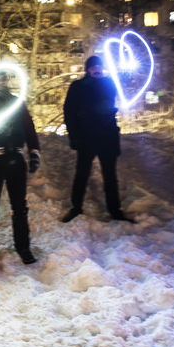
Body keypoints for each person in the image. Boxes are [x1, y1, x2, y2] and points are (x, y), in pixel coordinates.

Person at [0, 71, 41, 264]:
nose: (1, 84)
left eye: (3, 81)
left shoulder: (16, 102)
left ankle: (23, 247)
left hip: (15, 159)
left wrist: (34, 151)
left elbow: (29, 128)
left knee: (19, 207)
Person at [61, 55, 133, 223]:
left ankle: (115, 210)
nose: (96, 69)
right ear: (88, 69)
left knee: (110, 175)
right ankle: (76, 207)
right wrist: (74, 136)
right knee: (82, 174)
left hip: (107, 137)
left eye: (99, 66)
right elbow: (69, 113)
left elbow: (123, 85)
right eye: (93, 67)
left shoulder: (109, 83)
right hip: (86, 137)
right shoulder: (78, 86)